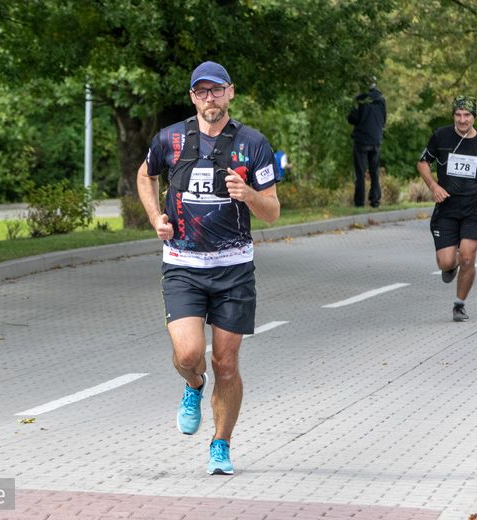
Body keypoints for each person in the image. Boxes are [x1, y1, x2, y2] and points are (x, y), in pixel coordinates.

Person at [136, 61, 280, 475]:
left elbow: (272, 212)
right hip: (183, 264)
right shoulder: (171, 139)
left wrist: (249, 194)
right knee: (188, 354)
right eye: (201, 92)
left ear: (230, 92)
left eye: (216, 90)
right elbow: (145, 175)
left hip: (234, 269)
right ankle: (193, 386)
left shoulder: (253, 144)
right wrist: (154, 218)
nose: (209, 98)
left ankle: (221, 444)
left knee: (227, 364)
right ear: (192, 97)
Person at [417, 95, 477, 322]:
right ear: (453, 115)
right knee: (446, 262)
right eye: (458, 115)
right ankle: (450, 264)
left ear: (474, 117)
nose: (462, 120)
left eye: (467, 115)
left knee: (467, 257)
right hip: (446, 208)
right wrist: (433, 186)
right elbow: (423, 162)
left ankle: (459, 305)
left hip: (475, 208)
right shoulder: (441, 136)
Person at [347, 78, 386, 208]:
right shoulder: (381, 99)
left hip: (362, 139)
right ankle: (375, 200)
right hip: (376, 139)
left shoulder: (360, 99)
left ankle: (359, 202)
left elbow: (352, 118)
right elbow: (384, 119)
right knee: (374, 172)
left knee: (360, 172)